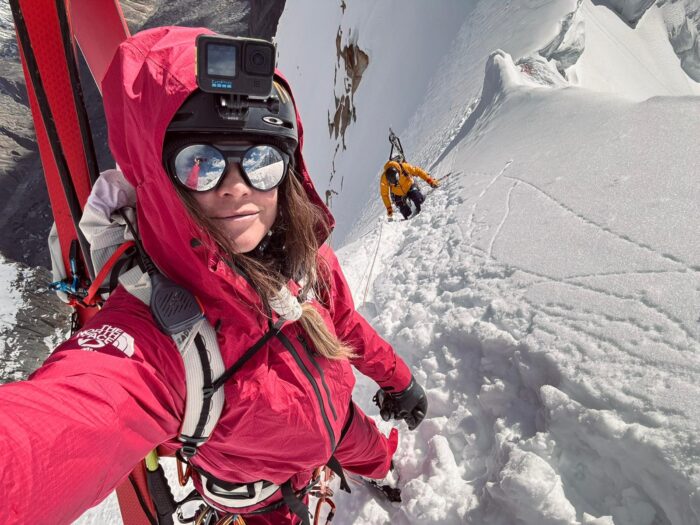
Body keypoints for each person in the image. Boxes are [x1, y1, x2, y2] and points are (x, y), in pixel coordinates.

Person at [0, 27, 428, 525]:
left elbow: (346, 324)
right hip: (260, 491)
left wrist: (399, 379)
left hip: (341, 426)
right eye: (200, 163)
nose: (236, 187)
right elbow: (58, 427)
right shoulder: (160, 336)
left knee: (369, 449)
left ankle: (381, 471)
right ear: (161, 179)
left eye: (261, 161)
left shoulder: (303, 260)